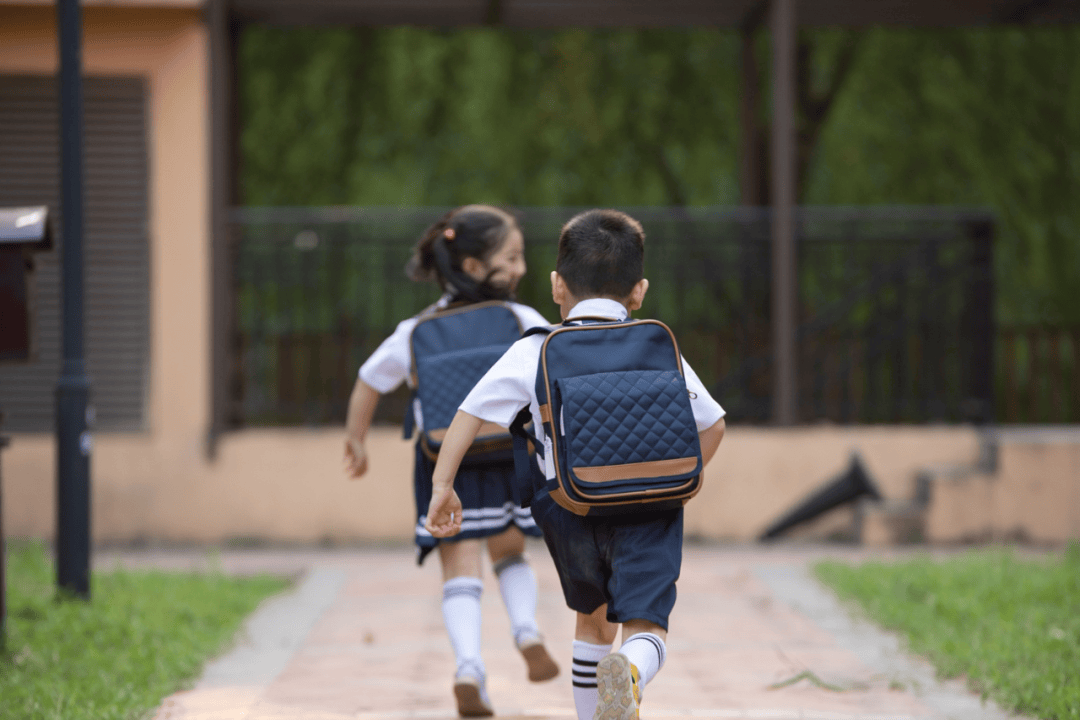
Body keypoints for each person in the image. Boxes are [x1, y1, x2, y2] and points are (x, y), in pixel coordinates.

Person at [424, 209, 726, 720]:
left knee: (592, 622)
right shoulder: (656, 343)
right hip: (651, 510)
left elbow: (469, 412)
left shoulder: (537, 348)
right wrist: (678, 482)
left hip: (570, 509)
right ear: (639, 292)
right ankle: (631, 668)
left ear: (557, 286)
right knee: (647, 625)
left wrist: (442, 485)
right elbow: (712, 424)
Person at [344, 205, 560, 718]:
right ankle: (526, 629)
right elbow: (559, 366)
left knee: (459, 569)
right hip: (510, 456)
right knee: (510, 552)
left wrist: (356, 439)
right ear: (472, 266)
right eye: (512, 257)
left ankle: (468, 667)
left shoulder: (416, 329)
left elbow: (369, 379)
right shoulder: (521, 319)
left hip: (446, 466)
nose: (522, 268)